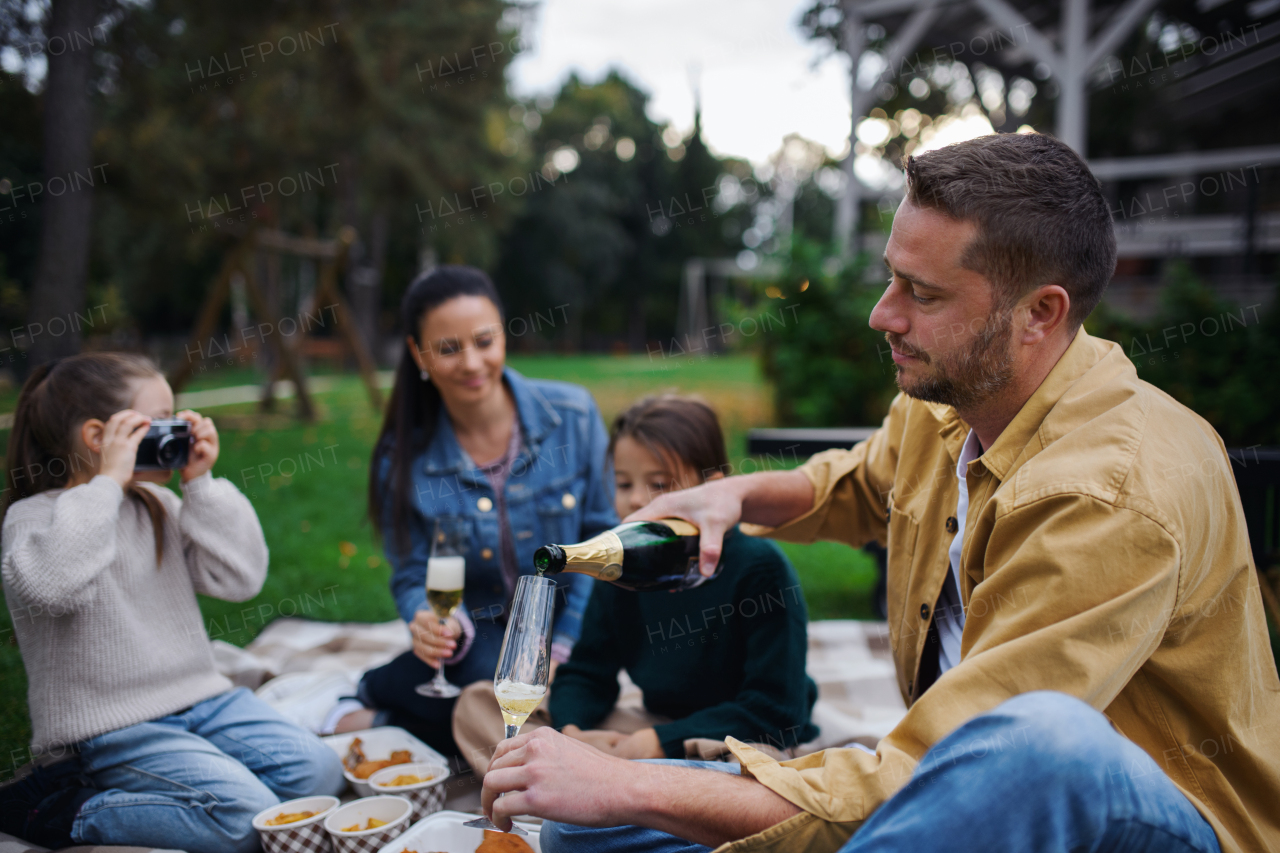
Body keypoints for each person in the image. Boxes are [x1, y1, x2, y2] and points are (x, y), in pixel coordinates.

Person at [474, 133, 1280, 853]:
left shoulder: (1109, 496)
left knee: (1043, 741)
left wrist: (632, 781)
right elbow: (859, 481)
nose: (879, 314)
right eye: (891, 279)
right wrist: (734, 497)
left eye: (921, 294)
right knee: (586, 827)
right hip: (941, 787)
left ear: (1040, 313)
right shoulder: (957, 399)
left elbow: (957, 768)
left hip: (1146, 818)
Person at [0, 353, 343, 853]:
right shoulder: (35, 519)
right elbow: (55, 586)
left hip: (203, 699)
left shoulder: (156, 504)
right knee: (244, 820)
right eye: (161, 421)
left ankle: (194, 772)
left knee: (319, 773)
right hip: (115, 726)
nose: (180, 433)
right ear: (100, 438)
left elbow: (239, 578)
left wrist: (201, 483)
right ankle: (61, 811)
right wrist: (106, 485)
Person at [332, 265, 616, 759]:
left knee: (549, 705)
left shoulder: (573, 416)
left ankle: (383, 711)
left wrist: (561, 648)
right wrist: (432, 620)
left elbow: (601, 538)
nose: (471, 362)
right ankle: (387, 696)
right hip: (480, 638)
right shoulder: (403, 458)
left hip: (573, 627)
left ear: (502, 336)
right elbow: (412, 572)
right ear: (420, 355)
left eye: (484, 341)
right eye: (448, 348)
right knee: (495, 689)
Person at [452, 394, 819, 772]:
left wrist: (657, 743)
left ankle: (592, 786)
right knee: (479, 703)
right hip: (647, 730)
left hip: (734, 738)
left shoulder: (760, 569)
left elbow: (776, 709)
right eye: (624, 484)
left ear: (713, 488)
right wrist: (573, 731)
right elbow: (588, 672)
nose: (638, 501)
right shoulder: (618, 564)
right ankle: (593, 778)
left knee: (752, 776)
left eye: (659, 484)